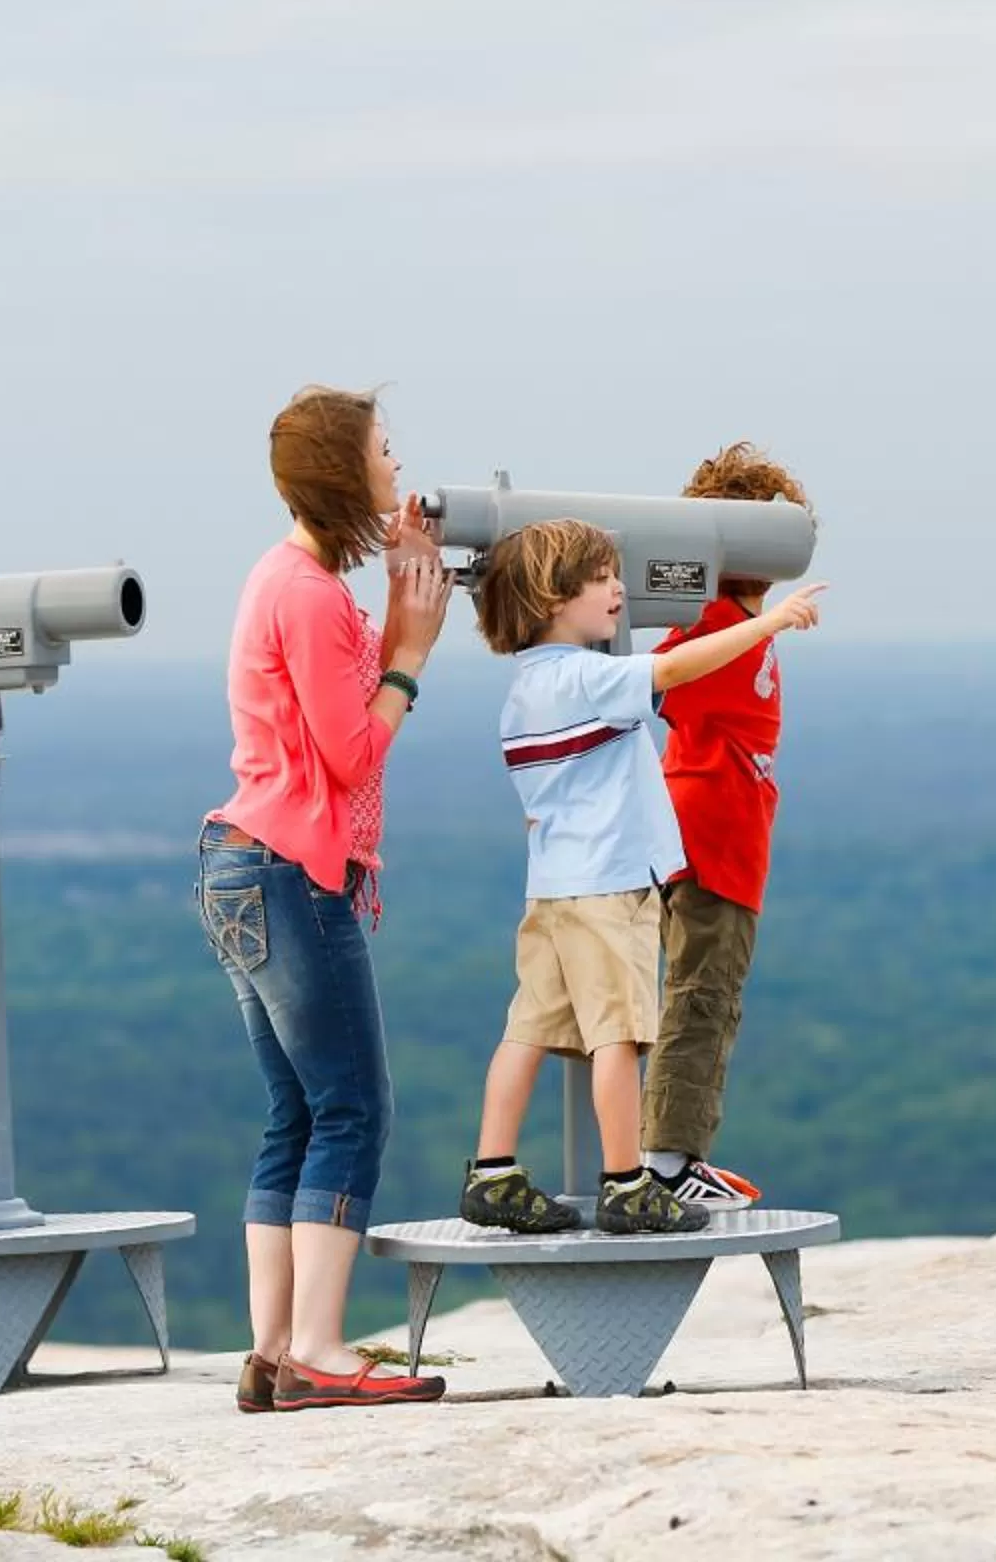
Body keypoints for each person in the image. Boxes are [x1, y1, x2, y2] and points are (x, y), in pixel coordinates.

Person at [457, 518, 824, 1237]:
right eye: (602, 577)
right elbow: (672, 671)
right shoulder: (587, 678)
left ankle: (492, 1170)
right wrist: (771, 622)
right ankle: (629, 1183)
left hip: (553, 888)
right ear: (557, 596)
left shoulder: (526, 691)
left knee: (526, 1031)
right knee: (618, 1038)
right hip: (611, 887)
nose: (620, 588)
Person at [199, 386, 452, 1413]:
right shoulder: (300, 590)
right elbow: (351, 752)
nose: (398, 466)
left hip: (245, 865)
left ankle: (273, 1351)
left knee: (295, 1113)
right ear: (347, 472)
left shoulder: (291, 578)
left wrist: (400, 595)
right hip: (289, 873)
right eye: (387, 452)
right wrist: (413, 658)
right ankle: (318, 1349)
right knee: (353, 1108)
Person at [643, 443, 816, 1207]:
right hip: (711, 840)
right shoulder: (715, 621)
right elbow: (664, 677)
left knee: (688, 995)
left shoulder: (736, 621)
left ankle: (666, 1157)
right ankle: (671, 1165)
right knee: (701, 997)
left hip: (710, 835)